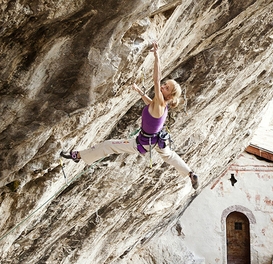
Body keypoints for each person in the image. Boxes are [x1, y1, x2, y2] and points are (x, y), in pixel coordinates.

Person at [61, 42, 199, 189]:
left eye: (166, 87)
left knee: (109, 145)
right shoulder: (159, 106)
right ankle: (190, 173)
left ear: (169, 95)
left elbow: (156, 80)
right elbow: (149, 103)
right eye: (165, 85)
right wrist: (139, 92)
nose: (163, 87)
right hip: (158, 140)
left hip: (145, 142)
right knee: (170, 156)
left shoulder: (160, 103)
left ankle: (78, 156)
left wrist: (157, 57)